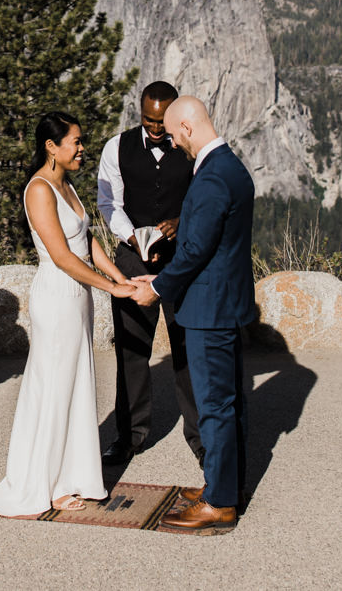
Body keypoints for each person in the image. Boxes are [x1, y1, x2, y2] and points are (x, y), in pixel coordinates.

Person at [0, 112, 140, 520]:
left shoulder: (66, 183)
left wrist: (123, 277)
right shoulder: (38, 190)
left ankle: (72, 475)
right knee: (53, 385)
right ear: (51, 147)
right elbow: (63, 257)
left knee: (75, 383)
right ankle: (46, 483)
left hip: (79, 297)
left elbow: (86, 242)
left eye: (82, 141)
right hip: (56, 296)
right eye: (75, 142)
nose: (82, 148)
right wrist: (113, 289)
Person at [134, 95, 256, 535]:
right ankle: (226, 484)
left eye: (172, 134)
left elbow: (196, 249)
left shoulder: (211, 178)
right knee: (228, 400)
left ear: (186, 127)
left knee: (214, 405)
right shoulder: (231, 167)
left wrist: (158, 287)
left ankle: (220, 503)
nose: (172, 143)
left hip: (209, 307)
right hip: (226, 300)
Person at [95, 79, 200, 466]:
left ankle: (201, 436)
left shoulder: (190, 146)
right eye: (148, 120)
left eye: (161, 122)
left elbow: (204, 195)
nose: (155, 129)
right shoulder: (116, 147)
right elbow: (109, 203)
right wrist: (131, 237)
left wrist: (181, 220)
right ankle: (130, 435)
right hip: (132, 259)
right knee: (132, 349)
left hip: (182, 259)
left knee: (188, 346)